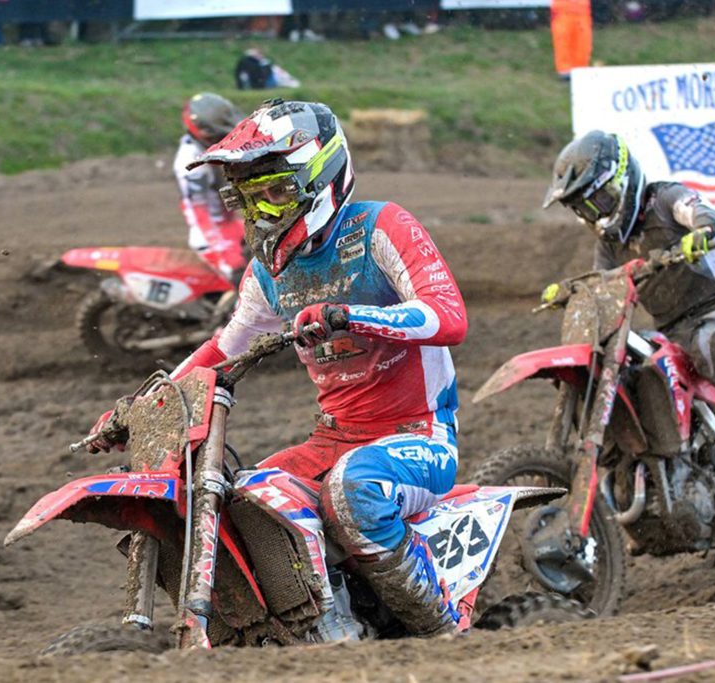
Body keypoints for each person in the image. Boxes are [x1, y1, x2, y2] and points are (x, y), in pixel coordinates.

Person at [90, 98, 468, 637]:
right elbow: (223, 350)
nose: (263, 213)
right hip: (332, 437)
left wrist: (350, 316)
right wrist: (138, 408)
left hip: (418, 436)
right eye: (249, 199)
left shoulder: (381, 226)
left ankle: (442, 633)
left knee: (354, 492)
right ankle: (314, 628)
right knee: (247, 504)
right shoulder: (268, 274)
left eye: (276, 193)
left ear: (320, 178)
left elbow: (448, 316)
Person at [541, 130, 715, 507]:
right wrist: (574, 292)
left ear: (622, 181)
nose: (596, 215)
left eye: (599, 201)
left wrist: (702, 232)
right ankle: (651, 474)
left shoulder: (665, 199)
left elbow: (701, 212)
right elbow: (603, 286)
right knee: (629, 366)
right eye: (585, 209)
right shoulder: (610, 245)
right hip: (674, 333)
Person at [172, 93, 247, 281]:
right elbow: (198, 213)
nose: (227, 137)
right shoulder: (191, 163)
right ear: (204, 132)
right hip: (212, 235)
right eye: (221, 134)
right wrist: (226, 254)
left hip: (230, 225)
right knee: (243, 280)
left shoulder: (206, 148)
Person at [549, 0, 592, 78]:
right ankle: (565, 71)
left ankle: (580, 70)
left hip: (582, 11)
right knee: (562, 41)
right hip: (562, 11)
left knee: (582, 43)